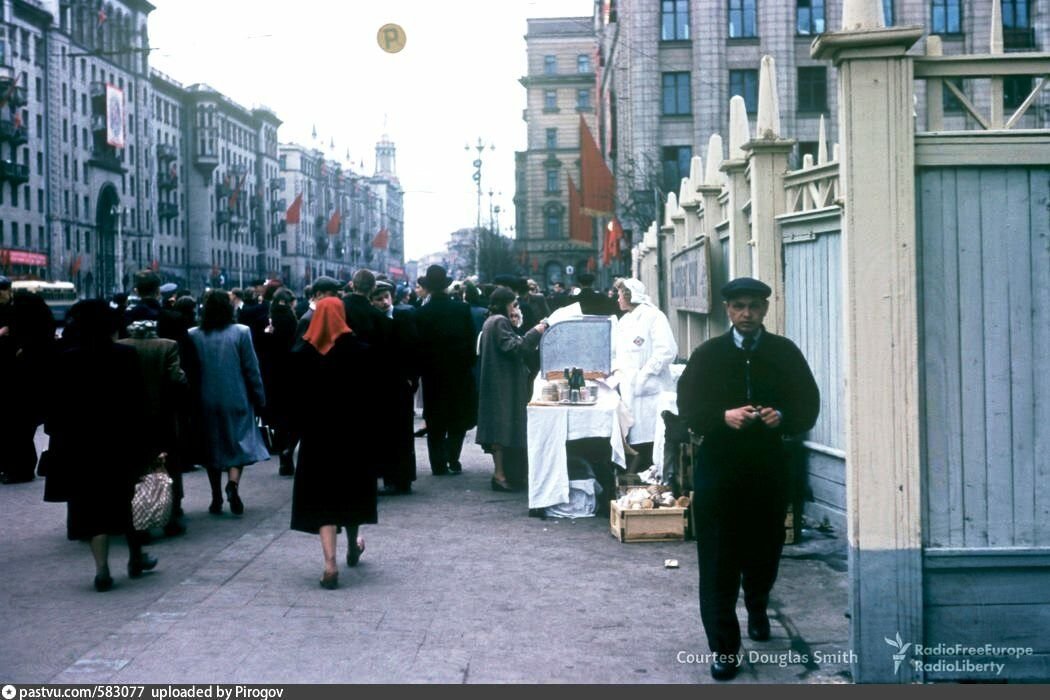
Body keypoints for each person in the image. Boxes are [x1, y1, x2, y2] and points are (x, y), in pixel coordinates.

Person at [676, 277, 820, 682]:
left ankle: (757, 605)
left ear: (766, 309)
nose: (746, 314)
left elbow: (808, 402)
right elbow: (687, 406)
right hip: (719, 471)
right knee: (718, 558)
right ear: (727, 310)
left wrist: (784, 417)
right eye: (739, 306)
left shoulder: (784, 353)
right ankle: (724, 647)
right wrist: (721, 417)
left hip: (769, 469)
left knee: (764, 551)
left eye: (754, 307)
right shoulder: (708, 355)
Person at [45, 300, 157, 591]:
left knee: (90, 507)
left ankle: (102, 568)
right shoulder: (126, 355)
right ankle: (135, 557)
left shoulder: (66, 358)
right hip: (120, 442)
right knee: (126, 502)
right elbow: (139, 402)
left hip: (80, 445)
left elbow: (56, 407)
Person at [290, 297, 379, 589]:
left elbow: (293, 399)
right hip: (353, 436)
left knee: (323, 499)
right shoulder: (361, 352)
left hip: (317, 437)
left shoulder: (302, 353)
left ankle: (329, 565)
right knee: (351, 492)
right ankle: (353, 545)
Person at [187, 289, 269, 516]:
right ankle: (233, 484)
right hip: (237, 396)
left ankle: (215, 497)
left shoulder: (193, 334)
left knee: (211, 447)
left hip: (205, 399)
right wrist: (259, 396)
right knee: (238, 443)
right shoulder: (242, 332)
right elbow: (252, 369)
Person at [118, 314, 190, 537]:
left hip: (130, 417)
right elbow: (176, 378)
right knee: (168, 466)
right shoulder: (167, 346)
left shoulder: (121, 347)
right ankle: (170, 514)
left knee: (133, 467)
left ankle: (136, 517)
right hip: (163, 416)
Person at [476, 287, 547, 491]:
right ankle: (500, 477)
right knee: (502, 430)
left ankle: (502, 475)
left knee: (501, 430)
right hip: (503, 385)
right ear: (505, 304)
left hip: (499, 382)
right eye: (514, 304)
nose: (516, 308)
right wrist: (536, 330)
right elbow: (518, 348)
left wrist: (517, 326)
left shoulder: (492, 321)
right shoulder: (499, 321)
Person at [415, 265, 477, 476]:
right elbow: (471, 343)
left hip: (433, 375)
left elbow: (419, 347)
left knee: (435, 420)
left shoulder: (422, 313)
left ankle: (438, 464)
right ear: (446, 285)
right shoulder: (462, 309)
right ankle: (453, 458)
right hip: (459, 373)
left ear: (429, 288)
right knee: (457, 419)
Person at [611, 278, 677, 471]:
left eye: (620, 294)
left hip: (651, 388)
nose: (617, 299)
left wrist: (645, 374)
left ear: (630, 295)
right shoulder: (624, 321)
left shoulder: (654, 317)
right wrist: (616, 371)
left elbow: (667, 351)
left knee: (652, 439)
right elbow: (616, 352)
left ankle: (653, 477)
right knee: (634, 438)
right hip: (628, 389)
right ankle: (637, 477)